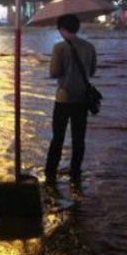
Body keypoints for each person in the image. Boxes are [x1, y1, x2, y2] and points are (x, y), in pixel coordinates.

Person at [45, 13, 97, 186]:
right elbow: (92, 71)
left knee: (57, 137)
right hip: (82, 99)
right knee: (78, 138)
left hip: (63, 99)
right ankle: (75, 173)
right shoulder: (89, 47)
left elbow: (53, 72)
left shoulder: (59, 48)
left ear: (62, 29)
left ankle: (51, 173)